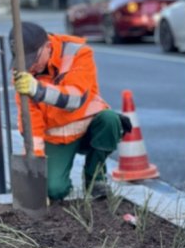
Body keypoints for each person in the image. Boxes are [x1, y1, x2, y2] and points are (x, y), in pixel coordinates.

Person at [10, 21, 131, 200]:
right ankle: (59, 182)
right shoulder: (23, 75)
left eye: (33, 60)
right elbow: (31, 122)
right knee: (54, 190)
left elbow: (75, 98)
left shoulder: (78, 53)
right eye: (24, 62)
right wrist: (35, 167)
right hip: (56, 138)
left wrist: (38, 90)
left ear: (47, 47)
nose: (30, 68)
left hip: (87, 129)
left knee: (110, 120)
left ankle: (95, 179)